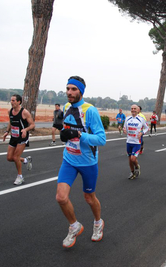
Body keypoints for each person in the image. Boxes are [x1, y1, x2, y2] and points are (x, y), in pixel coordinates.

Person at [55, 76, 106, 248]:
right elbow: (66, 129)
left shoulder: (90, 110)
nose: (69, 92)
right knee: (61, 197)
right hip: (69, 159)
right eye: (68, 88)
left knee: (89, 198)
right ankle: (74, 226)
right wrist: (64, 133)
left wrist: (79, 135)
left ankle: (98, 223)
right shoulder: (67, 106)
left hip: (88, 162)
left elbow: (101, 139)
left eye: (73, 89)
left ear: (81, 91)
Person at [2, 94, 35, 185]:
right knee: (9, 158)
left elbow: (32, 125)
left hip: (22, 137)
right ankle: (25, 160)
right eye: (11, 100)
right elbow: (10, 122)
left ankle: (20, 177)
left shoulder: (24, 112)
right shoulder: (10, 111)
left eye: (13, 101)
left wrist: (25, 129)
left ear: (19, 102)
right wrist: (6, 131)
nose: (11, 102)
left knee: (16, 157)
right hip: (14, 136)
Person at [124, 104, 149, 179]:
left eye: (135, 108)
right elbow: (124, 127)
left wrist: (142, 133)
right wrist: (124, 130)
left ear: (138, 110)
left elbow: (147, 128)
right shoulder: (127, 118)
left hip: (137, 142)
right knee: (129, 159)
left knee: (133, 158)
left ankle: (137, 167)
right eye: (132, 108)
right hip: (129, 141)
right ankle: (132, 172)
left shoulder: (141, 119)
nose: (133, 110)